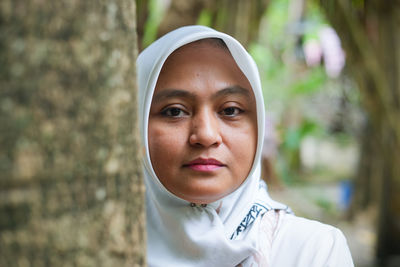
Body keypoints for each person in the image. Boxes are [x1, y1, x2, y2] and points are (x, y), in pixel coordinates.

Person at [137, 25, 354, 267]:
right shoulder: (101, 246)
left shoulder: (312, 251)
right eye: (175, 111)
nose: (206, 135)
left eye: (230, 110)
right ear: (136, 124)